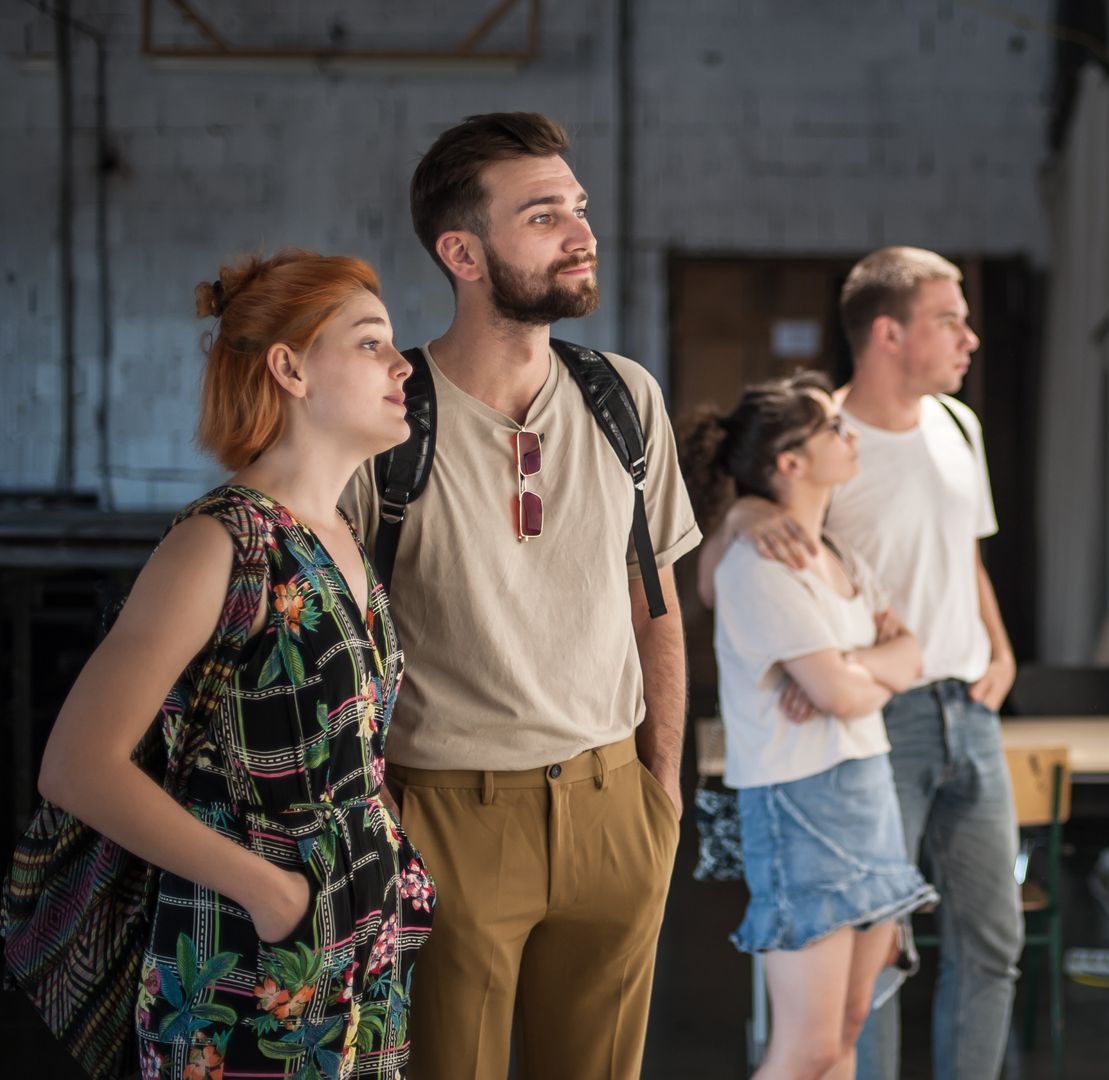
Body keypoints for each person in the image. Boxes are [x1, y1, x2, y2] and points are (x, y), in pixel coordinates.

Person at [337, 112, 700, 1080]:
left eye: (577, 208)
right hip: (446, 817)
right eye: (544, 216)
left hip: (615, 805)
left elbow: (653, 602)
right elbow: (334, 642)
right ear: (462, 251)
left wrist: (661, 793)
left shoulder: (627, 397)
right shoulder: (387, 421)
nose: (583, 232)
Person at [29, 249, 430, 1078]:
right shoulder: (222, 541)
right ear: (290, 367)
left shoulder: (342, 535)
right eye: (368, 343)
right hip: (244, 958)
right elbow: (77, 767)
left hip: (358, 942)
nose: (401, 365)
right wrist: (270, 894)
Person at [699, 247, 1022, 1080]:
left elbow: (967, 558)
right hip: (883, 721)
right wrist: (739, 519)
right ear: (889, 332)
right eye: (949, 319)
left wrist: (1002, 648)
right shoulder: (821, 437)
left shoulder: (960, 427)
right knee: (867, 972)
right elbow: (724, 569)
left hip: (968, 707)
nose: (969, 338)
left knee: (993, 943)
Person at [683, 371, 940, 1080]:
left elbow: (910, 653)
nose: (850, 434)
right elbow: (841, 694)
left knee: (848, 1030)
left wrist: (858, 666)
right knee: (808, 1048)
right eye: (832, 427)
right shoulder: (757, 563)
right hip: (799, 804)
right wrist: (859, 674)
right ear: (789, 463)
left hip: (865, 792)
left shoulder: (840, 555)